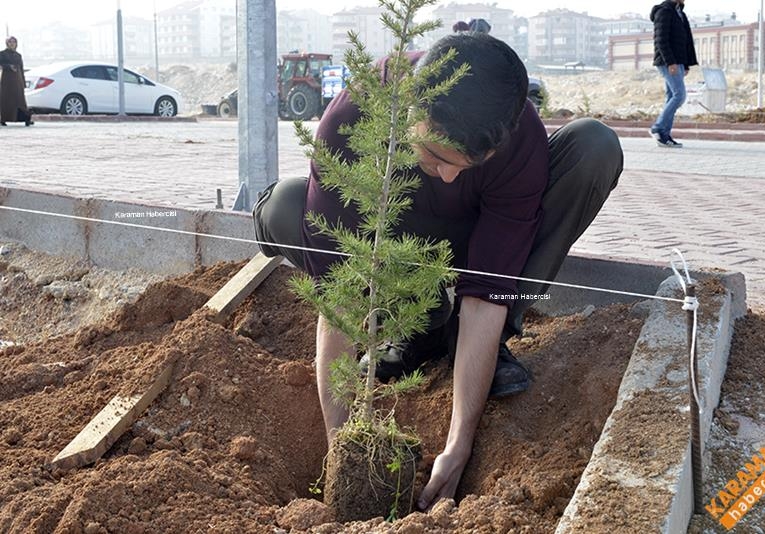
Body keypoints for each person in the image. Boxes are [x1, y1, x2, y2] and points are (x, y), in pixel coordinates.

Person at [253, 32, 622, 510]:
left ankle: (471, 346)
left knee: (595, 143)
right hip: (393, 240)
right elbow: (339, 302)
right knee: (284, 204)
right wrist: (342, 447)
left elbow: (487, 295)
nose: (449, 176)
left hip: (477, 235)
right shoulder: (350, 122)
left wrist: (458, 445)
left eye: (466, 166)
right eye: (437, 157)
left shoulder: (516, 137)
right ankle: (411, 327)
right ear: (409, 108)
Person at [649, 0, 697, 148]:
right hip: (668, 62)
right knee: (679, 95)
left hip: (679, 62)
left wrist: (687, 63)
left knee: (671, 96)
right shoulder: (663, 11)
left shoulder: (680, 13)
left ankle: (664, 135)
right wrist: (670, 62)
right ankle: (658, 128)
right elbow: (660, 40)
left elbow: (687, 41)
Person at [0, 36, 33, 127]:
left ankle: (25, 118)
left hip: (17, 79)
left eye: (14, 42)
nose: (12, 44)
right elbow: (1, 64)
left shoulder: (18, 55)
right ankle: (4, 119)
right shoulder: (2, 54)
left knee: (20, 99)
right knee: (6, 99)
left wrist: (23, 82)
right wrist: (9, 67)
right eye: (10, 42)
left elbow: (21, 69)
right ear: (7, 43)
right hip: (6, 79)